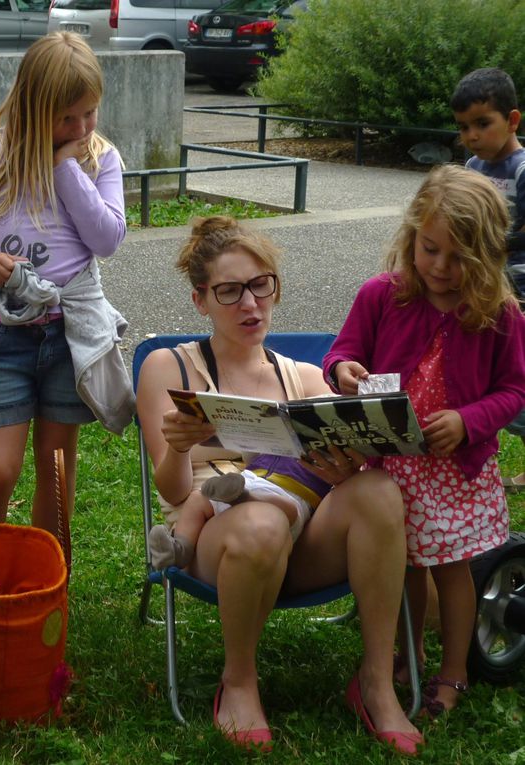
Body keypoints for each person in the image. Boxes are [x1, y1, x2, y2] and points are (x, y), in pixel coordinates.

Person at [136, 215, 421, 755]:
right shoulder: (168, 367)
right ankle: (239, 681)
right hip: (213, 542)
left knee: (379, 490)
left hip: (300, 537)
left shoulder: (307, 379)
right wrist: (178, 445)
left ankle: (376, 683)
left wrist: (344, 471)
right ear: (200, 300)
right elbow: (174, 493)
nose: (251, 304)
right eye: (230, 291)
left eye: (261, 285)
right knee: (261, 520)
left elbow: (335, 485)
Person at [323, 165, 525, 719]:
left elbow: (514, 390)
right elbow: (340, 355)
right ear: (412, 235)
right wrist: (343, 372)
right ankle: (404, 658)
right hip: (390, 469)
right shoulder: (380, 295)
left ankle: (454, 671)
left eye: (458, 257)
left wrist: (469, 420)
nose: (440, 267)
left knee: (452, 571)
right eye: (429, 249)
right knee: (404, 567)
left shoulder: (499, 313)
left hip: (454, 471)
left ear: (486, 256)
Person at [0, 31, 132, 536]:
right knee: (0, 469)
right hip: (2, 334)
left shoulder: (98, 159)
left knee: (57, 469)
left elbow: (106, 238)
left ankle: (47, 585)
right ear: (31, 104)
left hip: (69, 335)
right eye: (68, 116)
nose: (82, 126)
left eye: (90, 113)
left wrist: (67, 167)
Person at [450, 68, 525, 490]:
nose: (472, 136)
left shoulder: (521, 168)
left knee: (518, 376)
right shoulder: (473, 166)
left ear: (512, 120)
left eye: (483, 124)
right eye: (464, 127)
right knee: (484, 375)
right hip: (482, 287)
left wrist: (490, 244)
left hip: (519, 288)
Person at [147, 453, 330, 569]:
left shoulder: (334, 460)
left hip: (294, 495)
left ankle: (243, 498)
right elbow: (248, 453)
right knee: (198, 498)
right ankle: (179, 548)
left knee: (287, 510)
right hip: (249, 480)